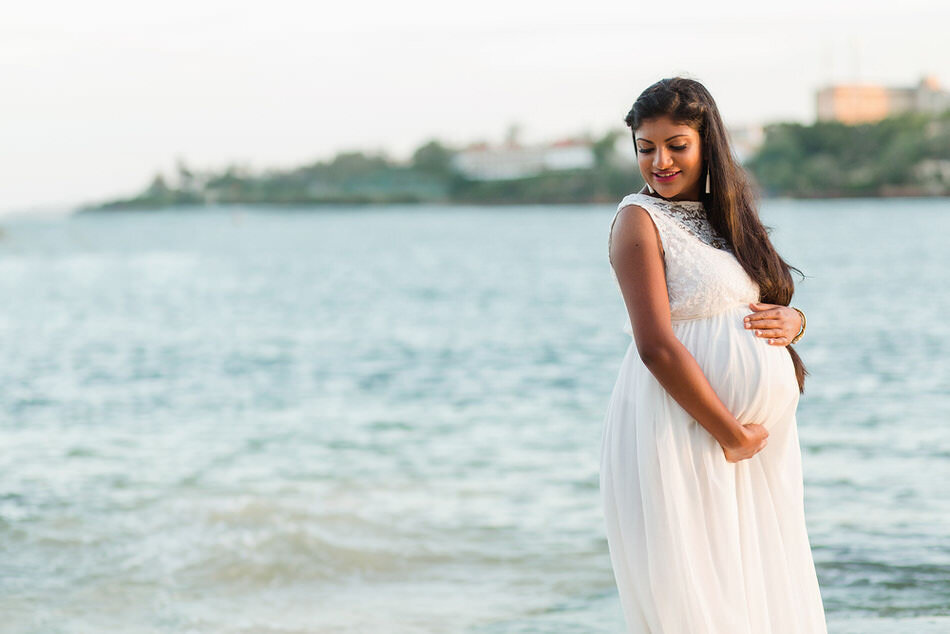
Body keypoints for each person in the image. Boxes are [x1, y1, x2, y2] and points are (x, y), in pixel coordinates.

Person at [600, 77, 827, 633]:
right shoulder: (639, 220)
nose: (660, 161)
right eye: (646, 147)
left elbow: (760, 300)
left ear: (707, 144)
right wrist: (729, 431)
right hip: (684, 429)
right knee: (702, 599)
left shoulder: (728, 219)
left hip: (751, 445)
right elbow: (654, 346)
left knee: (758, 592)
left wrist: (796, 322)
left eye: (676, 144)